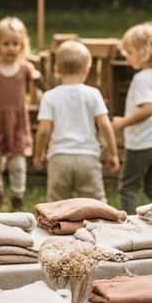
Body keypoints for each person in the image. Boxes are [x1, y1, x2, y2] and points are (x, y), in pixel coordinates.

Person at [33, 40, 119, 202]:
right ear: (86, 71)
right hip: (87, 158)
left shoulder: (49, 97)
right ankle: (99, 227)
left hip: (59, 158)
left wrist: (39, 154)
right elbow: (105, 126)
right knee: (95, 205)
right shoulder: (93, 94)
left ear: (56, 70)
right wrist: (113, 154)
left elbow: (43, 130)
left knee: (56, 206)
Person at [0, 16, 43, 211]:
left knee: (17, 165)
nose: (11, 48)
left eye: (15, 44)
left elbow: (42, 86)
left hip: (17, 123)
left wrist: (45, 93)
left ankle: (18, 198)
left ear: (22, 45)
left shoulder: (25, 68)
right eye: (6, 44)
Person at [112, 22, 152, 212]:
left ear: (143, 52)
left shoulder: (142, 79)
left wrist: (123, 122)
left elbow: (147, 109)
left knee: (127, 188)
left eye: (129, 53)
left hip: (143, 145)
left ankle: (131, 228)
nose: (127, 59)